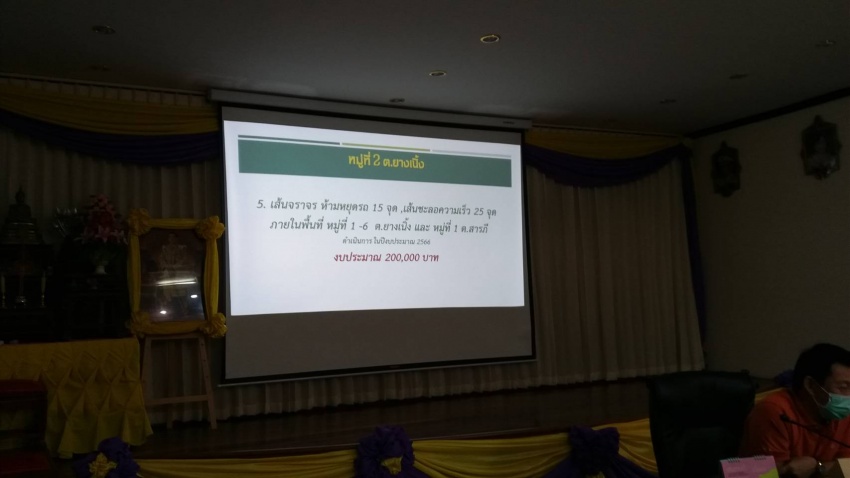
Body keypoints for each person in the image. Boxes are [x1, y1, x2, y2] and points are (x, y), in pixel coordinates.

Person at [740, 343, 850, 477]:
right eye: (844, 387)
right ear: (811, 385)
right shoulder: (775, 411)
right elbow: (766, 474)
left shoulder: (843, 413)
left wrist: (818, 467)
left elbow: (846, 466)